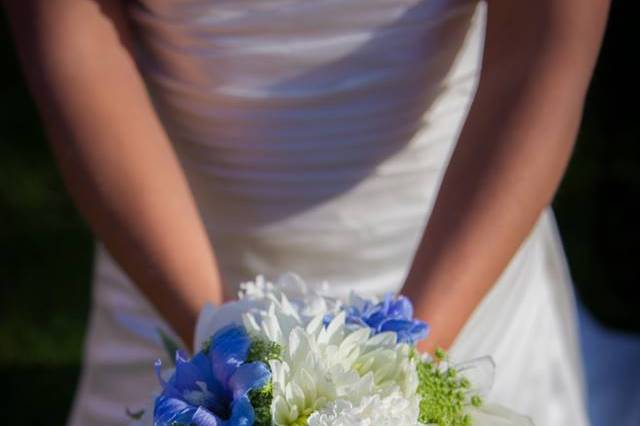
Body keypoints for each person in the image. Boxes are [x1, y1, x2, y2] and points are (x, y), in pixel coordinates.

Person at [4, 0, 610, 424]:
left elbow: (542, 50)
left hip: (455, 249)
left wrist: (396, 390)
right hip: (169, 244)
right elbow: (76, 41)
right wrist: (218, 351)